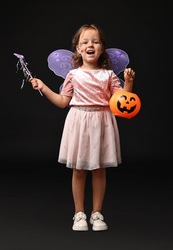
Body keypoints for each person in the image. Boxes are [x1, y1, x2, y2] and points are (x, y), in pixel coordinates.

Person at [29, 24, 135, 231]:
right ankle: (79, 214)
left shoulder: (109, 76)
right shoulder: (73, 75)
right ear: (78, 49)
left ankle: (96, 213)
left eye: (95, 42)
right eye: (85, 42)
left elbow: (123, 102)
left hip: (102, 121)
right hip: (79, 121)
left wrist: (129, 83)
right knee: (78, 170)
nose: (90, 45)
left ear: (102, 48)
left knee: (99, 170)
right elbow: (62, 101)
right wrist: (43, 87)